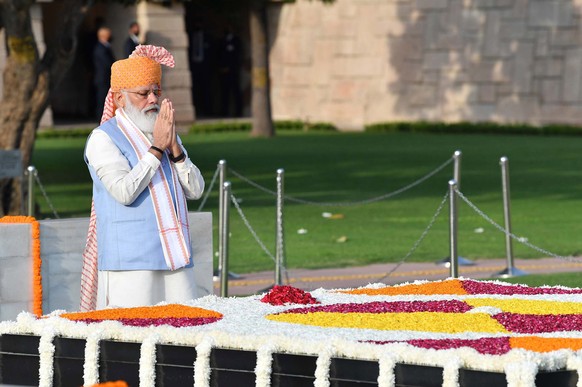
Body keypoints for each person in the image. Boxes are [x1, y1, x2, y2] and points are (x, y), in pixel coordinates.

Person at [80, 45, 205, 311]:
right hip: (130, 265)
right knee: (132, 342)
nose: (152, 99)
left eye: (156, 91)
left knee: (185, 335)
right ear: (119, 99)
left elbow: (195, 191)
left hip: (175, 258)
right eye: (143, 93)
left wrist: (175, 151)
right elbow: (124, 192)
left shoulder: (164, 133)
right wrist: (157, 149)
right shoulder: (103, 138)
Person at [92, 27, 115, 120]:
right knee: (102, 102)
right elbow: (108, 64)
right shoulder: (100, 49)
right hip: (103, 80)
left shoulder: (105, 47)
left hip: (105, 79)